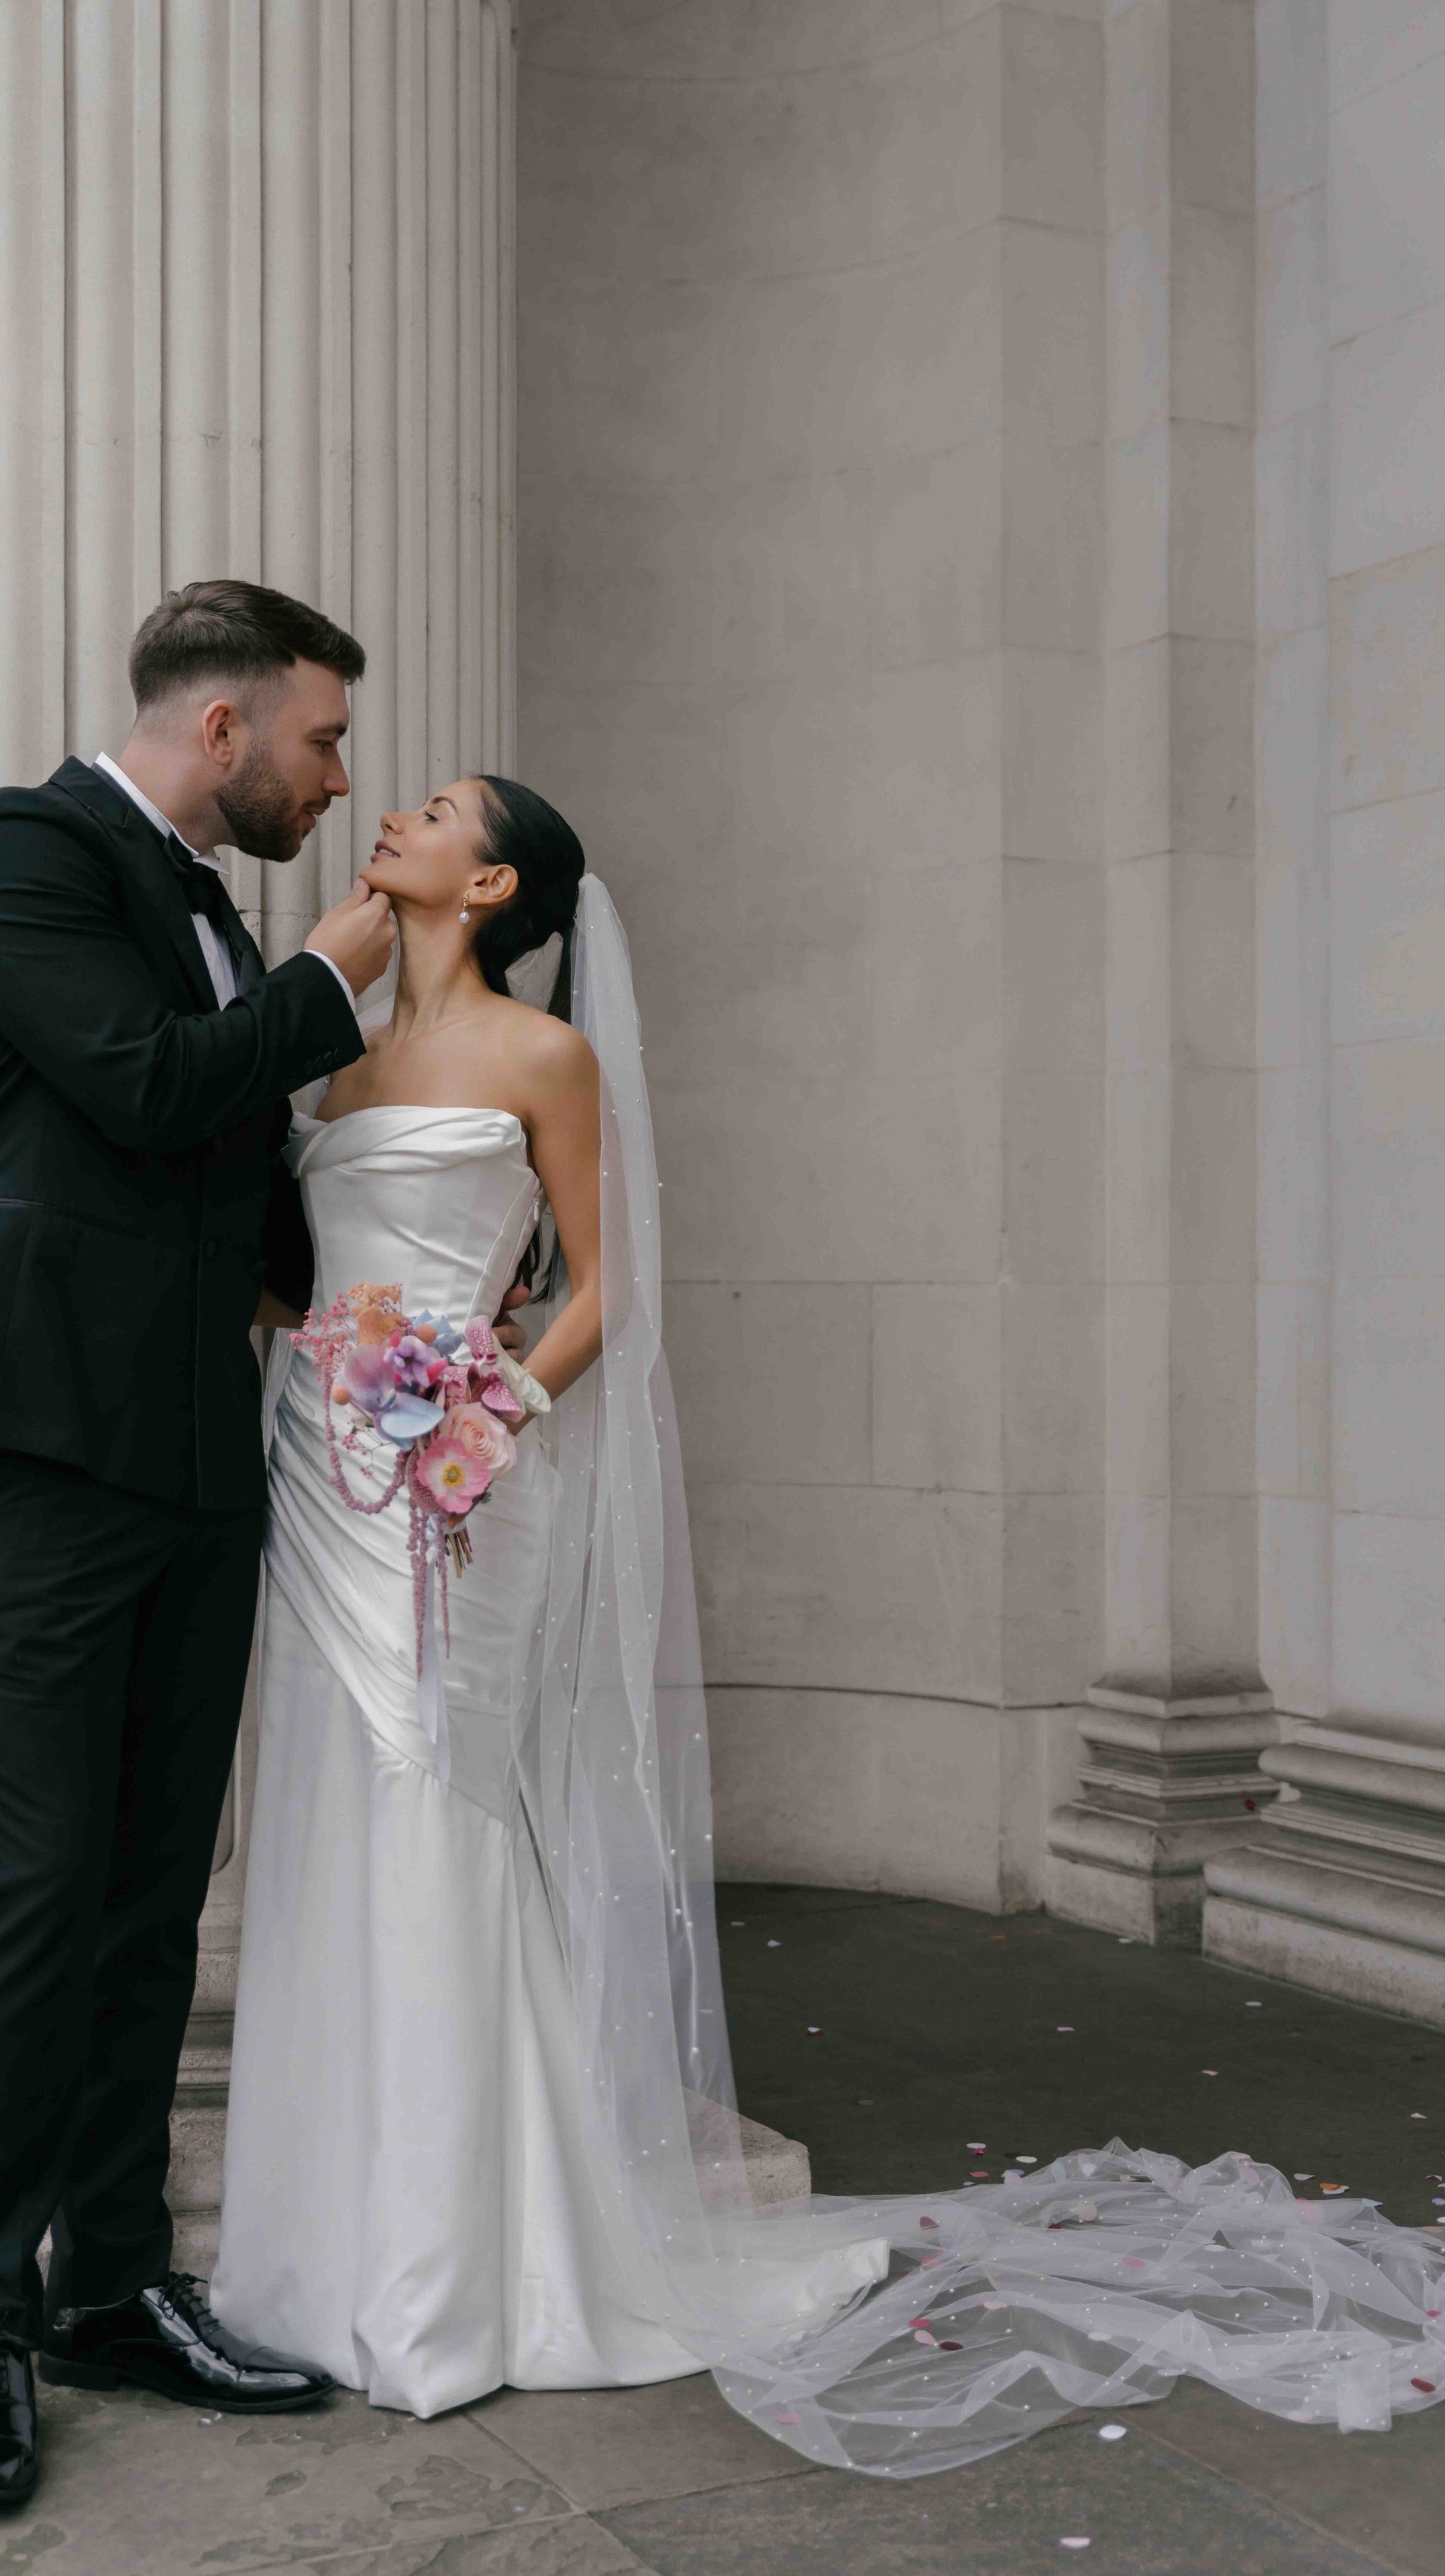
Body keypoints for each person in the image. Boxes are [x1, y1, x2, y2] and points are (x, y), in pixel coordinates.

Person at [214, 775, 1445, 2475]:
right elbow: (299, 1268)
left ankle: (451, 2265)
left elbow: (604, 1286)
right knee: (331, 1808)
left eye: (434, 813)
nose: (396, 819)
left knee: (439, 1805)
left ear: (490, 883)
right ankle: (323, 2248)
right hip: (321, 1473)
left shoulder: (543, 1055)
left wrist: (485, 1413)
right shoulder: (334, 1058)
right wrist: (335, 1372)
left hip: (464, 1485)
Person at [0, 580, 400, 2510]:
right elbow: (145, 1084)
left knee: (148, 1899)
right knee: (40, 1891)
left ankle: (112, 2286)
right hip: (31, 1455)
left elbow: (230, 1179)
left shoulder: (214, 915)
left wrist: (412, 1300)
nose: (335, 780)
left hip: (199, 1464)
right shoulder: (18, 856)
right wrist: (333, 982)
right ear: (221, 729)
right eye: (321, 739)